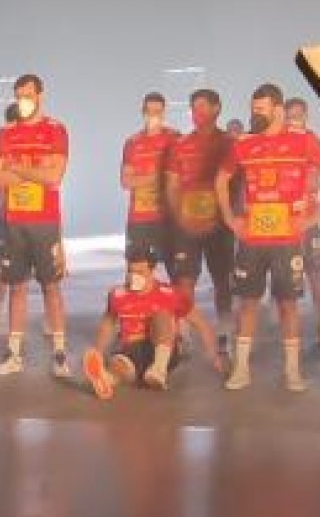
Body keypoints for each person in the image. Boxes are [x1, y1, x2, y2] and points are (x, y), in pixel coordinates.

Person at [217, 84, 320, 392]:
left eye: (261, 109)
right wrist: (231, 219)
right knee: (248, 303)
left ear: (278, 109)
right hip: (252, 239)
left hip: (288, 239)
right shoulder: (245, 143)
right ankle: (241, 369)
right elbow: (221, 180)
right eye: (253, 109)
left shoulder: (303, 140)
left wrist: (314, 216)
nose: (255, 114)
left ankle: (292, 370)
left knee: (288, 304)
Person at [0, 74, 71, 378]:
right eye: (19, 95)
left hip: (45, 222)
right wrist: (36, 170)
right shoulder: (4, 134)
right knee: (17, 288)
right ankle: (14, 354)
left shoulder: (55, 130)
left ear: (40, 95)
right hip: (14, 222)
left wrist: (16, 168)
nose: (23, 101)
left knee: (51, 286)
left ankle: (59, 354)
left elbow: (54, 177)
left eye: (28, 95)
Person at [83, 248, 221, 399]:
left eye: (140, 272)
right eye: (130, 271)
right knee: (118, 366)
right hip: (131, 349)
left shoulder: (169, 293)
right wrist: (97, 352)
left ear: (152, 271)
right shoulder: (117, 295)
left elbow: (200, 323)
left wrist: (214, 355)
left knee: (161, 315)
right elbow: (108, 324)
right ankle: (106, 379)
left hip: (163, 347)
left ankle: (158, 369)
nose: (133, 276)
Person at [164, 89, 235, 358]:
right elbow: (171, 186)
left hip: (220, 226)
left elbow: (238, 185)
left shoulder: (230, 143)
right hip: (186, 227)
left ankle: (224, 333)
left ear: (217, 109)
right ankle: (183, 335)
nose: (197, 114)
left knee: (222, 281)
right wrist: (180, 218)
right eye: (194, 109)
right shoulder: (180, 144)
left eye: (203, 108)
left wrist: (226, 217)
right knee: (184, 281)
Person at [120, 92, 179, 274]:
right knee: (137, 278)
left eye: (158, 111)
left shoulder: (175, 138)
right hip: (139, 219)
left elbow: (182, 176)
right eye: (149, 111)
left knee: (178, 276)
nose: (153, 116)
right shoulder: (132, 142)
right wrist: (158, 176)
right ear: (143, 112)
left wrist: (143, 179)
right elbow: (125, 181)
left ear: (164, 113)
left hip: (169, 219)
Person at [286, 97, 320, 333]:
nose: (294, 120)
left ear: (306, 115)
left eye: (298, 115)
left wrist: (314, 190)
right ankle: (281, 319)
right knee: (283, 271)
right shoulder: (280, 140)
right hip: (283, 218)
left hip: (307, 218)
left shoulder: (313, 140)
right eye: (290, 115)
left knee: (313, 270)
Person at [0, 103, 17, 336]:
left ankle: (51, 320)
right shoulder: (2, 142)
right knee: (3, 265)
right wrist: (5, 200)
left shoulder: (38, 145)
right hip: (9, 217)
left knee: (43, 270)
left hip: (38, 217)